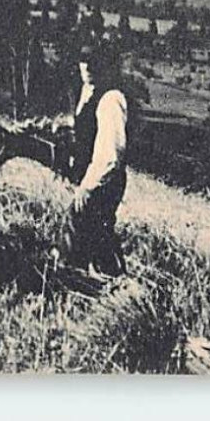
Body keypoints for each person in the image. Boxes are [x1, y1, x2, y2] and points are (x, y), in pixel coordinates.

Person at [57, 43, 129, 275]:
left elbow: (110, 154)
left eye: (94, 61)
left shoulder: (110, 99)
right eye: (83, 60)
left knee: (79, 228)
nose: (87, 66)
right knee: (97, 235)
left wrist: (87, 187)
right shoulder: (87, 92)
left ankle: (73, 277)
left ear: (106, 65)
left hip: (103, 181)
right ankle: (113, 284)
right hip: (94, 179)